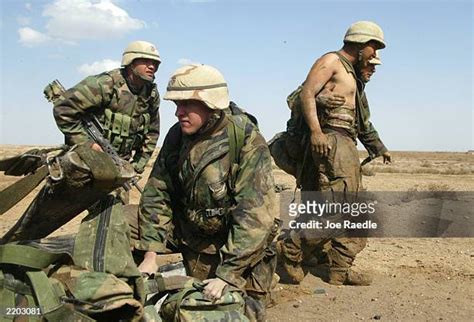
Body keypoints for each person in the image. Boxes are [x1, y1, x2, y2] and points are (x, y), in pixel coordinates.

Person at [136, 64, 278, 321]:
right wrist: (150, 253)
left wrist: (228, 273)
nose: (179, 113)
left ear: (212, 104)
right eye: (176, 105)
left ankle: (259, 285)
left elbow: (255, 216)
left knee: (231, 311)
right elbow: (158, 193)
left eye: (187, 105)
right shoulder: (177, 136)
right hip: (194, 236)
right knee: (121, 226)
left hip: (237, 249)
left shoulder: (245, 139)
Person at [276, 21, 387, 286]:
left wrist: (377, 146)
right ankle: (293, 247)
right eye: (374, 47)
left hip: (345, 142)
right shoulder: (331, 61)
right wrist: (316, 130)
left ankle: (336, 268)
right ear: (361, 43)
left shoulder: (354, 79)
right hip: (332, 140)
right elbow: (303, 94)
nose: (376, 55)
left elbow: (361, 121)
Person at [53, 40, 161, 175]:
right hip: (85, 162)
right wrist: (87, 144)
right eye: (145, 61)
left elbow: (152, 132)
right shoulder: (105, 84)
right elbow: (63, 109)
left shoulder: (151, 95)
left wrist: (136, 166)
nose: (152, 67)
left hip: (119, 166)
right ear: (131, 62)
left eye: (155, 63)